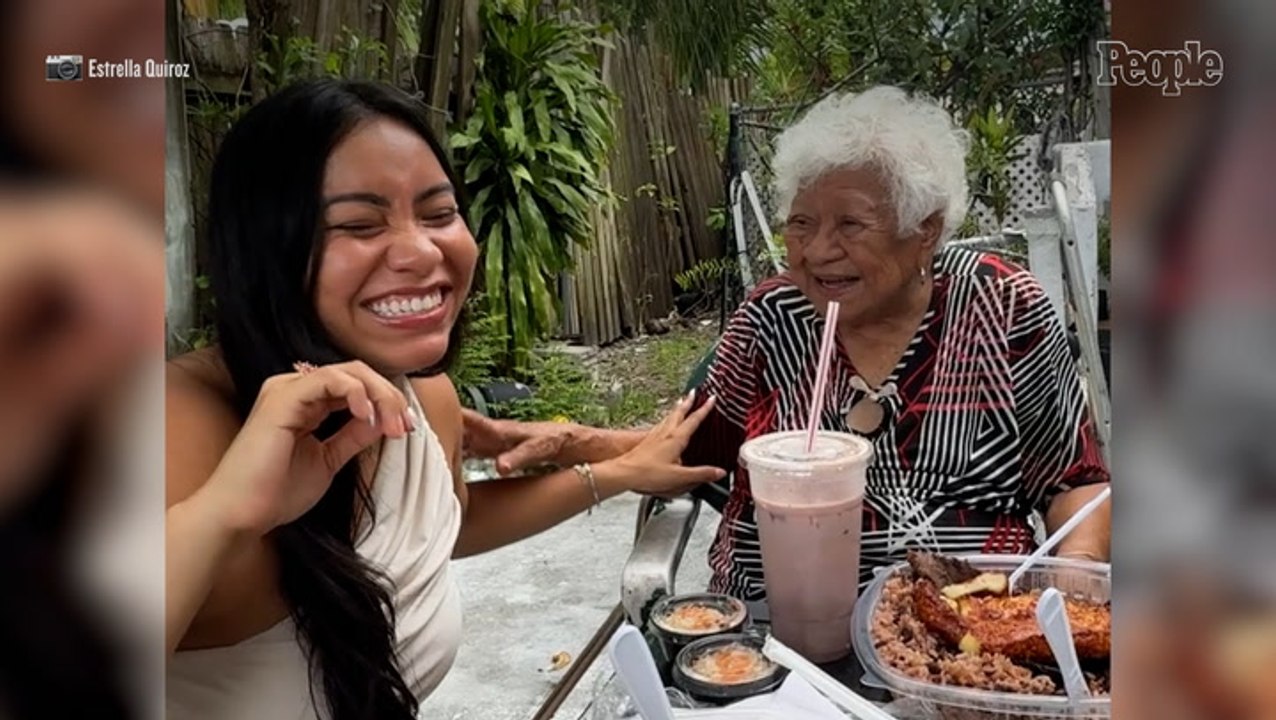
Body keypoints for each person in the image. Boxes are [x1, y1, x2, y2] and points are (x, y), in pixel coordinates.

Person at [163, 79, 724, 720]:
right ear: (264, 249)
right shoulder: (168, 424)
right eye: (359, 225)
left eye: (438, 213)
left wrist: (615, 470)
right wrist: (223, 514)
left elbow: (450, 523)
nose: (422, 251)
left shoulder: (421, 396)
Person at [463, 86, 1111, 601]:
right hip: (776, 626)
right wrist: (569, 440)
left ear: (925, 230)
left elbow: (1073, 480)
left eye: (850, 224)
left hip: (972, 621)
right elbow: (688, 450)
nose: (817, 251)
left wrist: (1077, 570)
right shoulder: (774, 317)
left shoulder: (1003, 306)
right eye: (801, 223)